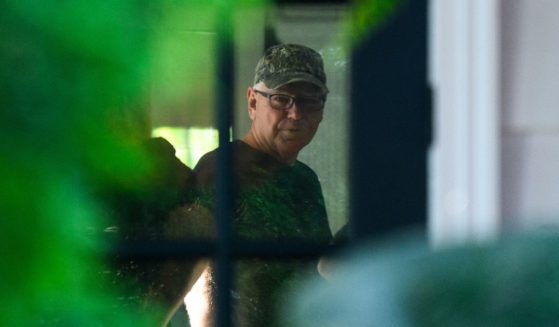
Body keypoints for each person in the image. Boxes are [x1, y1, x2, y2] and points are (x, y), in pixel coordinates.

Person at [191, 43, 333, 326]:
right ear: (253, 102)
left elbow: (317, 270)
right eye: (281, 99)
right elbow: (196, 278)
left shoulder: (305, 180)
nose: (295, 114)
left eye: (309, 100)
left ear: (322, 109)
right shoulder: (222, 171)